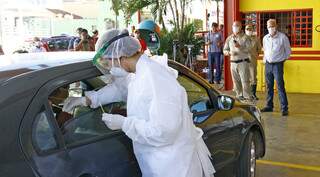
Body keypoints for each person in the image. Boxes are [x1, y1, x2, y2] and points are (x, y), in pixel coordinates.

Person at [62, 29, 215, 177]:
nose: (110, 69)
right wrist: (88, 99)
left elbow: (164, 131)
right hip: (158, 163)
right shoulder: (138, 73)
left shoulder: (156, 78)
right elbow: (120, 89)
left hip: (174, 166)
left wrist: (124, 124)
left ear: (120, 56)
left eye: (109, 63)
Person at [261, 19, 291, 116]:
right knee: (269, 86)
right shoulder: (265, 38)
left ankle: (284, 108)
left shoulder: (283, 37)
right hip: (268, 65)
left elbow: (288, 52)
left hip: (278, 65)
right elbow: (265, 51)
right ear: (267, 27)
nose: (271, 28)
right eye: (269, 26)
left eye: (272, 26)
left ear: (276, 26)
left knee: (280, 86)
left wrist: (281, 60)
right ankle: (269, 106)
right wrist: (265, 61)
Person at [223, 21, 253, 101]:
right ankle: (239, 97)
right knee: (236, 83)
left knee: (245, 82)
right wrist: (229, 52)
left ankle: (247, 99)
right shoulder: (229, 38)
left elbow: (250, 50)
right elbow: (224, 50)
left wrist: (240, 47)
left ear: (240, 27)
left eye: (237, 26)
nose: (235, 27)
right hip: (233, 63)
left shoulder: (245, 37)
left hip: (243, 62)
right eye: (234, 26)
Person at [245, 24, 262, 100]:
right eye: (247, 29)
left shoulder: (256, 39)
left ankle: (253, 94)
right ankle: (245, 94)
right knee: (244, 77)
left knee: (253, 77)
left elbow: (259, 50)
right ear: (245, 30)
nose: (249, 30)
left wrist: (254, 55)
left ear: (253, 30)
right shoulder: (242, 38)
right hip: (243, 61)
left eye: (250, 29)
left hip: (252, 61)